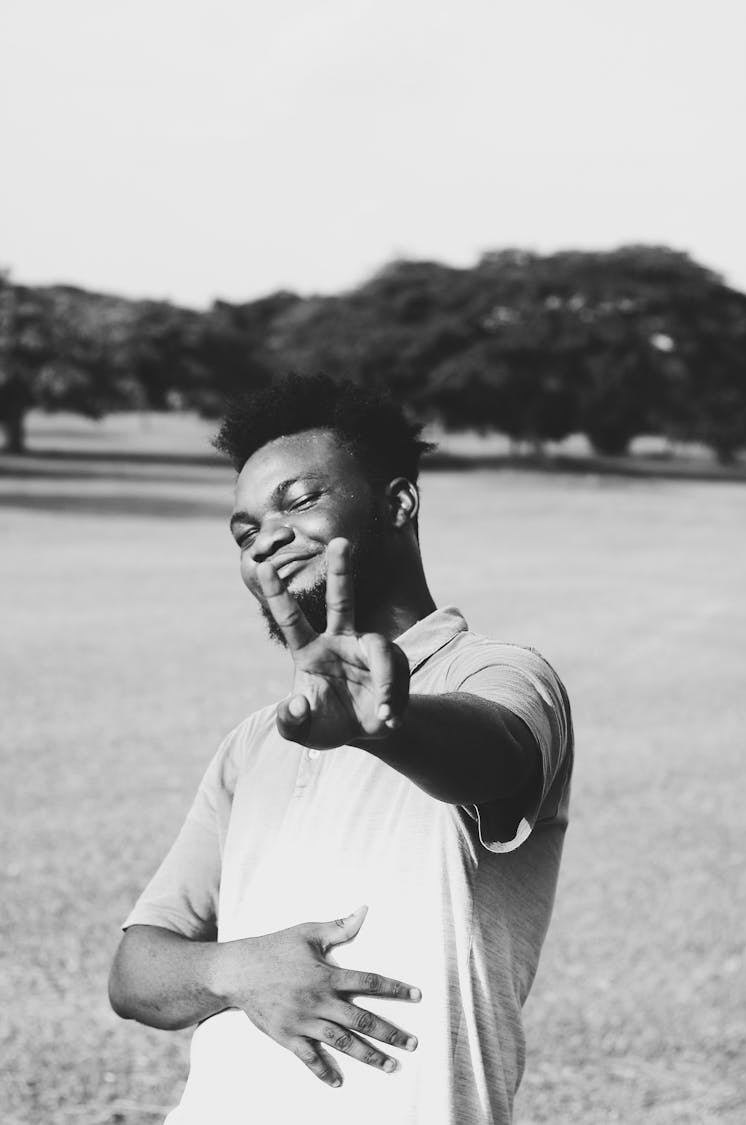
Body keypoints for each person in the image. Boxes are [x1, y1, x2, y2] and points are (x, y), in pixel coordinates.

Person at [109, 374, 573, 1125]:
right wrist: (236, 967)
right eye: (244, 529)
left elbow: (496, 758)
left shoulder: (497, 675)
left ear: (398, 503)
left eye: (298, 500)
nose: (266, 537)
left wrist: (386, 725)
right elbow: (136, 972)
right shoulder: (257, 740)